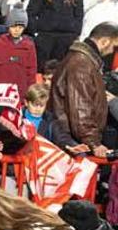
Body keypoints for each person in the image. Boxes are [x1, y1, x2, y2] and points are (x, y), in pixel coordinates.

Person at [47, 22, 118, 157]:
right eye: (114, 47)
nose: (112, 52)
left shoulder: (85, 62)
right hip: (73, 141)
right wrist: (93, 143)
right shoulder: (81, 64)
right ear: (104, 41)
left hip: (76, 137)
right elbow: (80, 108)